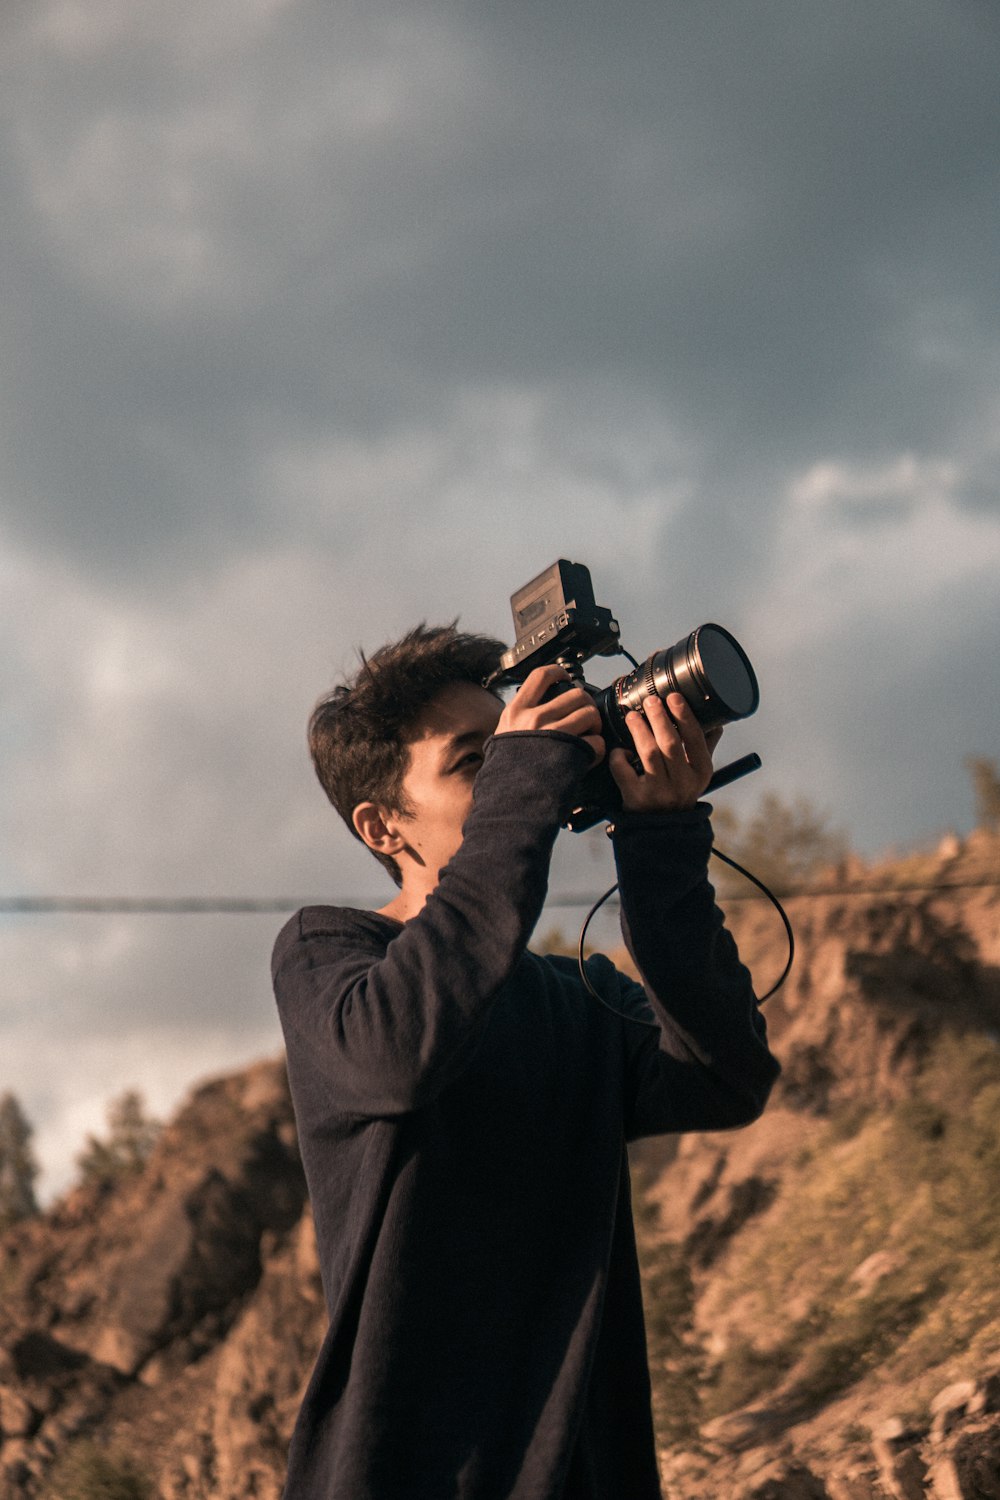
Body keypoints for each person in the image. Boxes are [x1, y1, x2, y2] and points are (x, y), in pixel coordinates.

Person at [272, 623, 779, 1500]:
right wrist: (522, 791)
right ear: (382, 824)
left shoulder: (571, 994)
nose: (528, 769)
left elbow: (723, 1078)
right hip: (405, 1471)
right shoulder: (328, 956)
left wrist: (659, 844)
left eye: (521, 742)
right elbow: (403, 1054)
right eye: (478, 761)